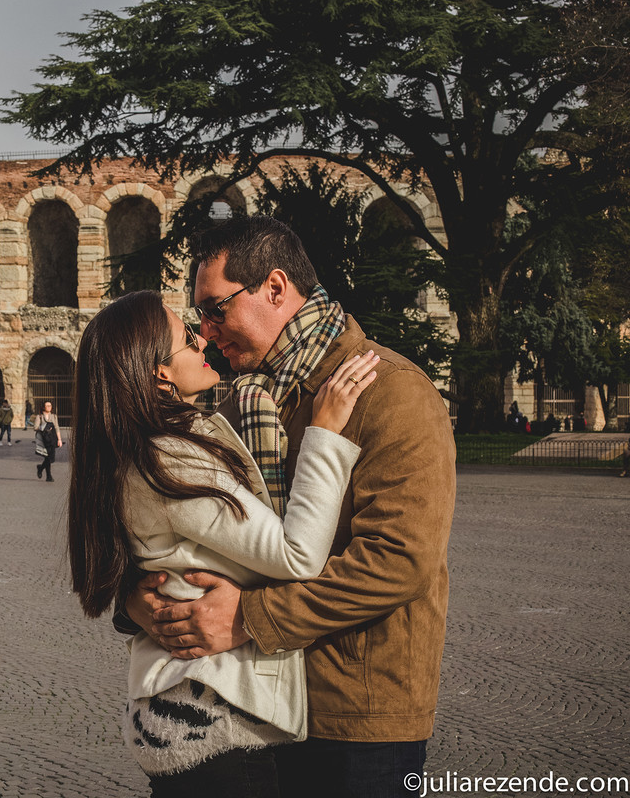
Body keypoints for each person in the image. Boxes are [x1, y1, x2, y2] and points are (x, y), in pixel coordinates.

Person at [125, 216, 456, 798]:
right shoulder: (237, 398)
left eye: (216, 309)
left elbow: (397, 562)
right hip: (256, 706)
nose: (206, 332)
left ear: (275, 288)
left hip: (353, 709)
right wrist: (141, 598)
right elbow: (188, 531)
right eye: (199, 317)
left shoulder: (392, 391)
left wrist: (247, 619)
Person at [69, 290, 376, 795]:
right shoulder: (169, 457)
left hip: (188, 712)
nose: (202, 339)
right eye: (187, 337)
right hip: (214, 723)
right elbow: (296, 554)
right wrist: (324, 433)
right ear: (160, 373)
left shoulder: (143, 450)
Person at [35, 401, 63, 482]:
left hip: (52, 439)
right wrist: (45, 428)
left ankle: (40, 468)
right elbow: (35, 427)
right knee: (47, 457)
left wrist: (59, 439)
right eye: (47, 406)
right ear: (43, 407)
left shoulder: (54, 416)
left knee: (51, 458)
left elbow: (57, 428)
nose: (49, 407)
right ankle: (48, 476)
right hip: (44, 440)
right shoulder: (39, 417)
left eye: (50, 405)